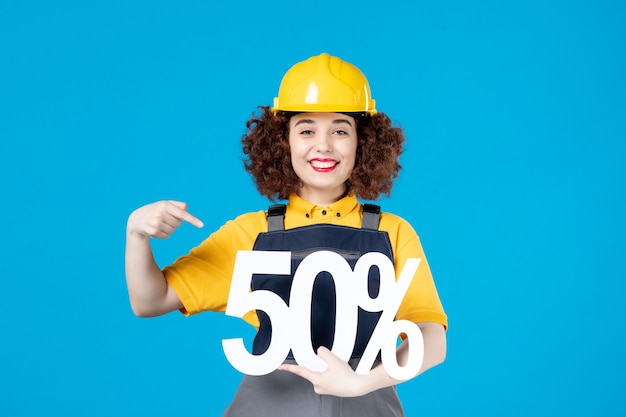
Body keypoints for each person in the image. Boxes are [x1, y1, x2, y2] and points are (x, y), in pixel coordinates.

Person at [125, 52, 447, 416]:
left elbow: (432, 339)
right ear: (283, 143)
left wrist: (361, 383)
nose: (323, 145)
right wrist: (135, 234)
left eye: (340, 130)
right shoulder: (250, 233)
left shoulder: (394, 233)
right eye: (306, 130)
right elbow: (150, 301)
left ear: (363, 142)